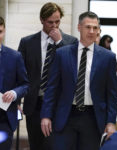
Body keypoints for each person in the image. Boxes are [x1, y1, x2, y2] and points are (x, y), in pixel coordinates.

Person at [41, 11, 117, 150]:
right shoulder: (62, 54)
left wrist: (111, 121)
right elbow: (52, 87)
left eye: (95, 28)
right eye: (88, 27)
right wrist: (46, 115)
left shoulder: (108, 57)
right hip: (66, 115)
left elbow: (111, 93)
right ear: (79, 27)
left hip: (93, 117)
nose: (92, 31)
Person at [18, 2, 77, 150]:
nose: (54, 26)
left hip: (59, 104)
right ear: (42, 20)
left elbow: (73, 70)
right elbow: (19, 73)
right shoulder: (27, 42)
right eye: (50, 22)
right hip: (34, 103)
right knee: (36, 145)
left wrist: (59, 42)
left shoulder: (71, 42)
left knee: (56, 145)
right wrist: (17, 101)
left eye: (57, 21)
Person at [0, 16, 29, 150]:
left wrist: (14, 93)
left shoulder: (14, 56)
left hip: (4, 119)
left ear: (4, 31)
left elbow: (25, 85)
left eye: (0, 32)